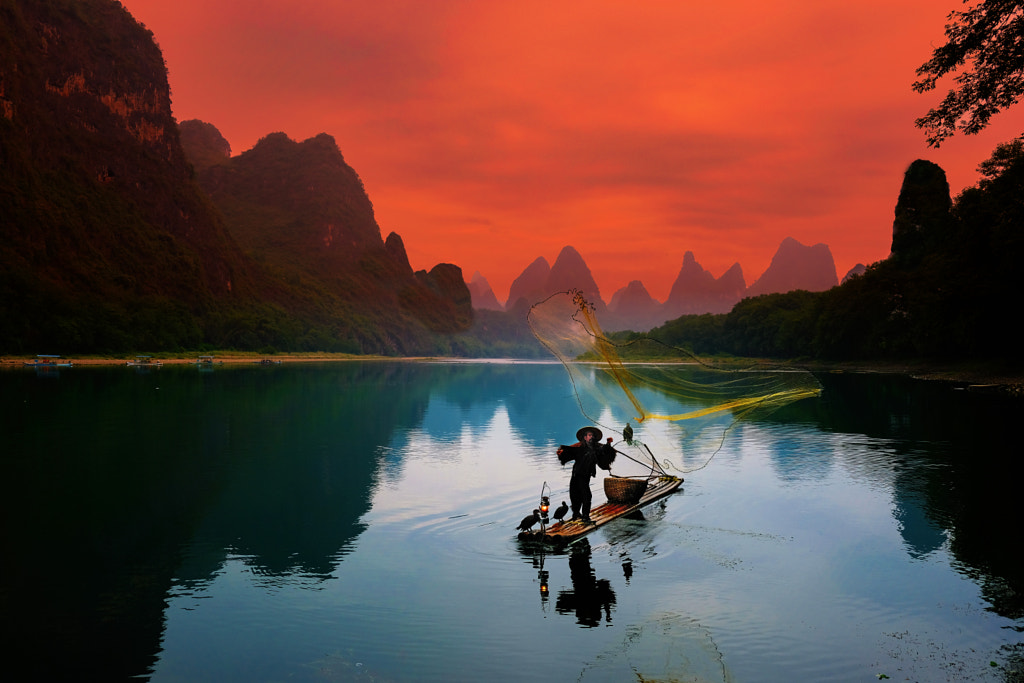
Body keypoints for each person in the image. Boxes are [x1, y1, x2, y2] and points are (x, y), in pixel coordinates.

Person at [557, 426, 615, 523]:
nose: (591, 437)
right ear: (585, 437)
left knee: (584, 495)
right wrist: (561, 453)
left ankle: (582, 515)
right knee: (578, 494)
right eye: (589, 435)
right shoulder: (579, 447)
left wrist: (608, 443)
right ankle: (580, 515)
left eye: (592, 435)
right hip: (577, 474)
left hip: (586, 475)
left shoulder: (596, 448)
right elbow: (569, 451)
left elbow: (604, 451)